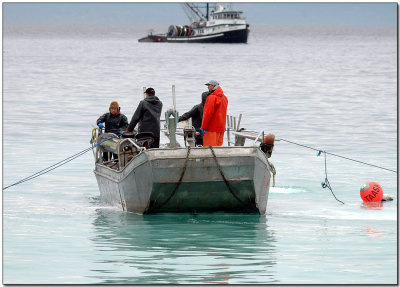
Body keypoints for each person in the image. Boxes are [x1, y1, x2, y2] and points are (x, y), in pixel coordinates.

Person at [200, 80, 228, 147]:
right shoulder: (225, 98)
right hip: (221, 128)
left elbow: (208, 114)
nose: (207, 87)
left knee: (209, 150)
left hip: (211, 129)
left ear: (212, 86)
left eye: (208, 86)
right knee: (218, 149)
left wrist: (203, 127)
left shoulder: (211, 97)